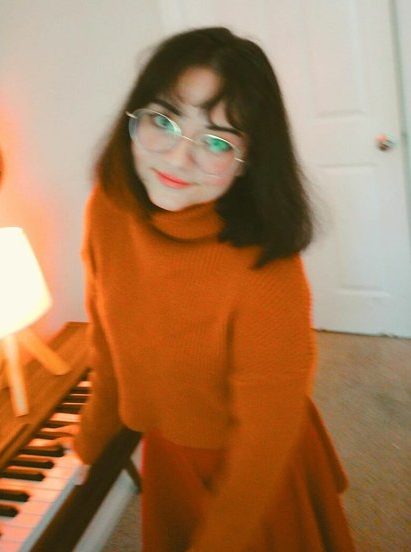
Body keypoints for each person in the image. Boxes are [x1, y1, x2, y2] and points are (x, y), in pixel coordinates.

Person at [73, 27, 356, 552]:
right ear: (133, 117)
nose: (178, 159)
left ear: (250, 162)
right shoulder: (108, 210)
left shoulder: (267, 272)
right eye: (164, 120)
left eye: (217, 141)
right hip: (168, 447)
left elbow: (263, 440)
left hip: (252, 468)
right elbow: (108, 344)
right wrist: (88, 442)